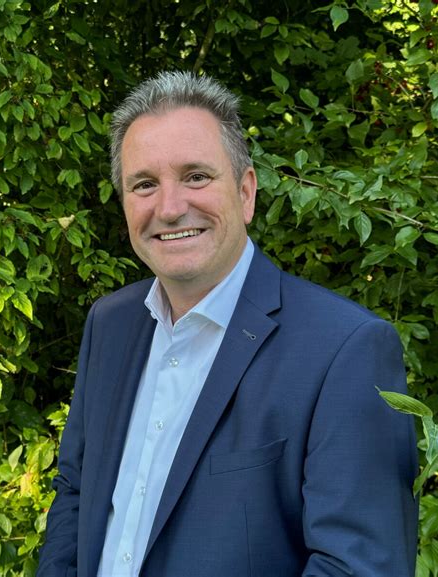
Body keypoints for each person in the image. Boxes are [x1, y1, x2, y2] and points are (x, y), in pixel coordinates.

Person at [37, 71, 418, 577]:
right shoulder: (109, 324)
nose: (170, 208)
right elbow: (76, 490)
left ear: (246, 192)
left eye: (196, 176)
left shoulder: (344, 350)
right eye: (144, 184)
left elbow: (357, 568)